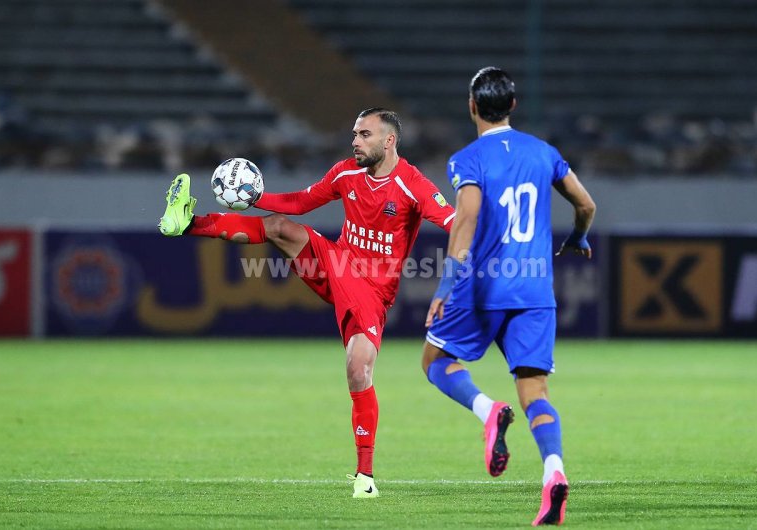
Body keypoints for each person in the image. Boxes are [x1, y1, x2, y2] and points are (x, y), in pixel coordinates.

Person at [157, 108, 455, 498]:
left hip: (372, 291)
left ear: (389, 141)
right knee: (282, 226)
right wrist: (259, 197)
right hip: (337, 267)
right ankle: (188, 222)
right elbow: (302, 202)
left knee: (358, 370)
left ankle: (365, 477)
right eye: (354, 134)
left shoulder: (413, 184)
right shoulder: (345, 172)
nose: (355, 141)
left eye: (364, 135)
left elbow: (453, 222)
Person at [422, 67, 596, 526]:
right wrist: (578, 237)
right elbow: (586, 204)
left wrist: (445, 285)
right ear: (513, 107)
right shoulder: (544, 153)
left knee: (434, 361)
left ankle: (487, 410)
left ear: (472, 106)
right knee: (536, 392)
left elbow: (467, 220)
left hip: (483, 287)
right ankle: (553, 473)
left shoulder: (468, 159)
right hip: (535, 291)